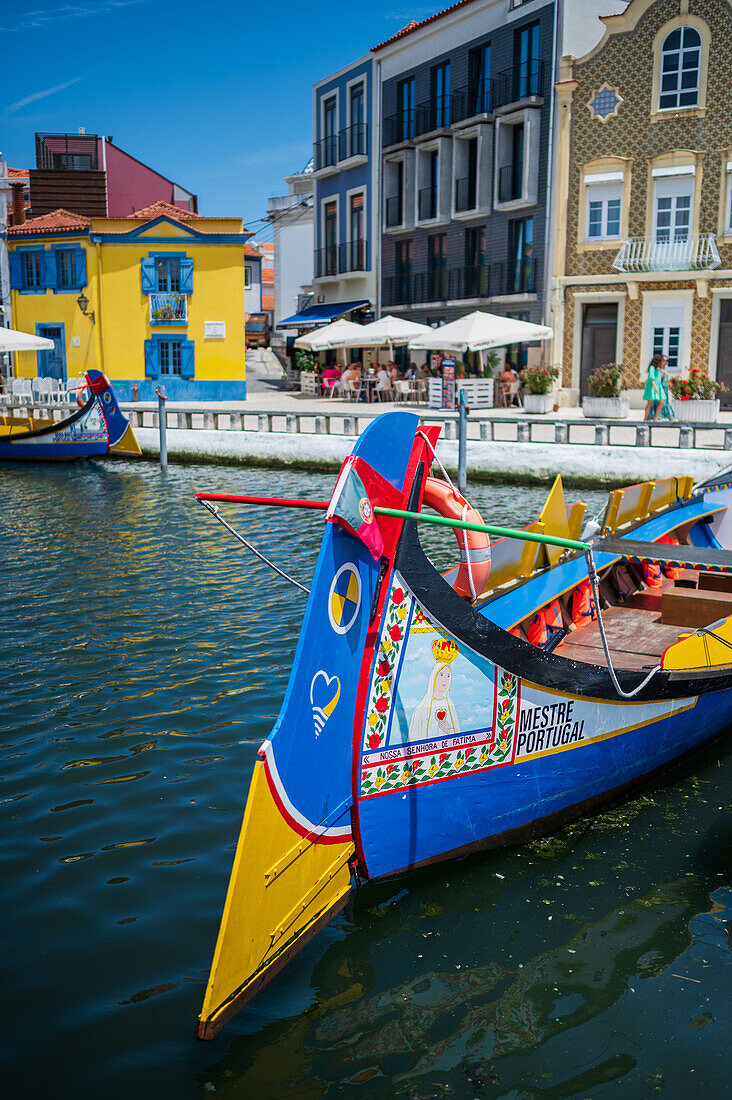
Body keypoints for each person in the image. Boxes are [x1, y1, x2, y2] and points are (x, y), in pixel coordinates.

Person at [407, 660, 460, 742]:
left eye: (448, 676)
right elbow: (414, 740)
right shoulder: (420, 710)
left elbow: (458, 737)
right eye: (441, 675)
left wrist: (449, 730)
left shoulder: (450, 706)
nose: (445, 680)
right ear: (434, 677)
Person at [644, 353, 664, 420]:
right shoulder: (652, 367)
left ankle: (655, 418)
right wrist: (655, 387)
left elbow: (658, 377)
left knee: (662, 402)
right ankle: (645, 418)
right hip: (652, 387)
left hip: (658, 386)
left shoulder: (658, 368)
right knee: (650, 403)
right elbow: (651, 378)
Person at [657, 355, 675, 420]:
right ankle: (659, 416)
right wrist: (663, 374)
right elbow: (658, 379)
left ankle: (669, 416)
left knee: (666, 402)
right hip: (660, 388)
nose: (665, 362)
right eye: (664, 360)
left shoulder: (665, 370)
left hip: (665, 388)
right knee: (661, 402)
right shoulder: (658, 369)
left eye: (666, 360)